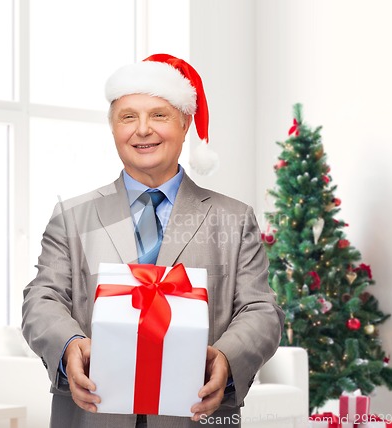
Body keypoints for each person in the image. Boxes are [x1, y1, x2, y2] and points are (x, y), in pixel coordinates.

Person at [22, 54, 284, 428]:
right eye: (128, 117)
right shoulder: (71, 217)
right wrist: (68, 346)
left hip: (196, 414)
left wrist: (227, 357)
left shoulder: (234, 218)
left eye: (159, 115)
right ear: (113, 127)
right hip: (93, 412)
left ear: (185, 122)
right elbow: (41, 299)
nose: (142, 130)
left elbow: (261, 310)